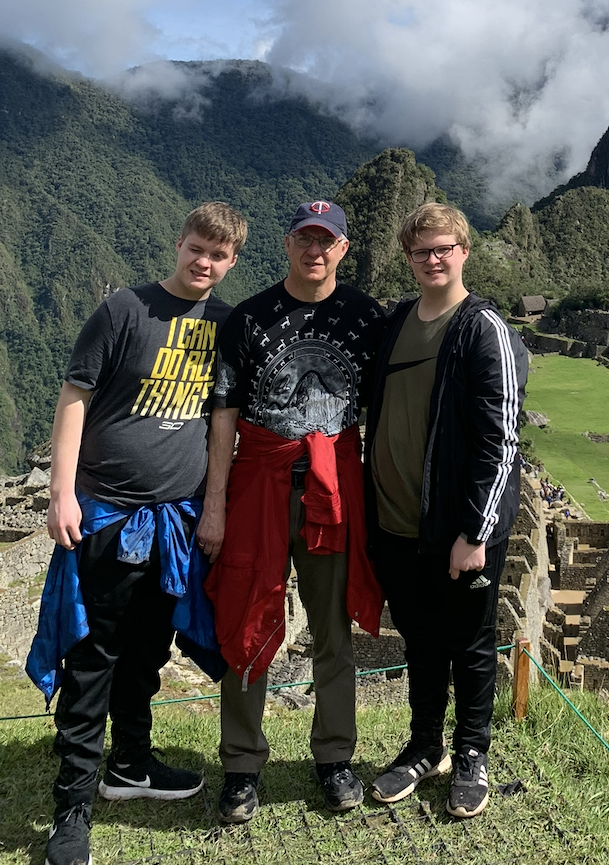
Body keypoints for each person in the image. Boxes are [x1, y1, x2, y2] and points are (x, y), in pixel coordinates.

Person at [29, 202, 247, 865]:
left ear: (231, 261)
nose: (204, 263)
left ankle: (129, 767)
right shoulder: (125, 310)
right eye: (196, 249)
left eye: (218, 255)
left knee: (149, 650)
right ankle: (72, 808)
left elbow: (222, 422)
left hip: (175, 520)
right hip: (107, 513)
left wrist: (214, 507)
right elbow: (75, 396)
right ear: (177, 244)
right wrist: (61, 492)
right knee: (93, 657)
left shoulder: (224, 325)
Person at [198, 200, 384, 824]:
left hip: (334, 488)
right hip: (261, 484)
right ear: (287, 244)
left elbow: (383, 412)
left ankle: (334, 758)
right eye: (305, 238)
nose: (315, 250)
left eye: (326, 241)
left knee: (332, 631)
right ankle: (242, 765)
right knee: (249, 615)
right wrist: (215, 507)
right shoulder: (249, 319)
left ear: (343, 249)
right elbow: (223, 415)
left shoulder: (366, 317)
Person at [363, 202, 527, 819]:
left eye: (443, 249)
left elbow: (501, 440)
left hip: (460, 528)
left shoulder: (484, 329)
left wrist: (476, 532)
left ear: (464, 251)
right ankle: (424, 745)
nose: (433, 260)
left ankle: (471, 753)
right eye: (420, 251)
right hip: (397, 521)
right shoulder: (398, 320)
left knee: (472, 642)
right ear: (407, 257)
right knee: (422, 641)